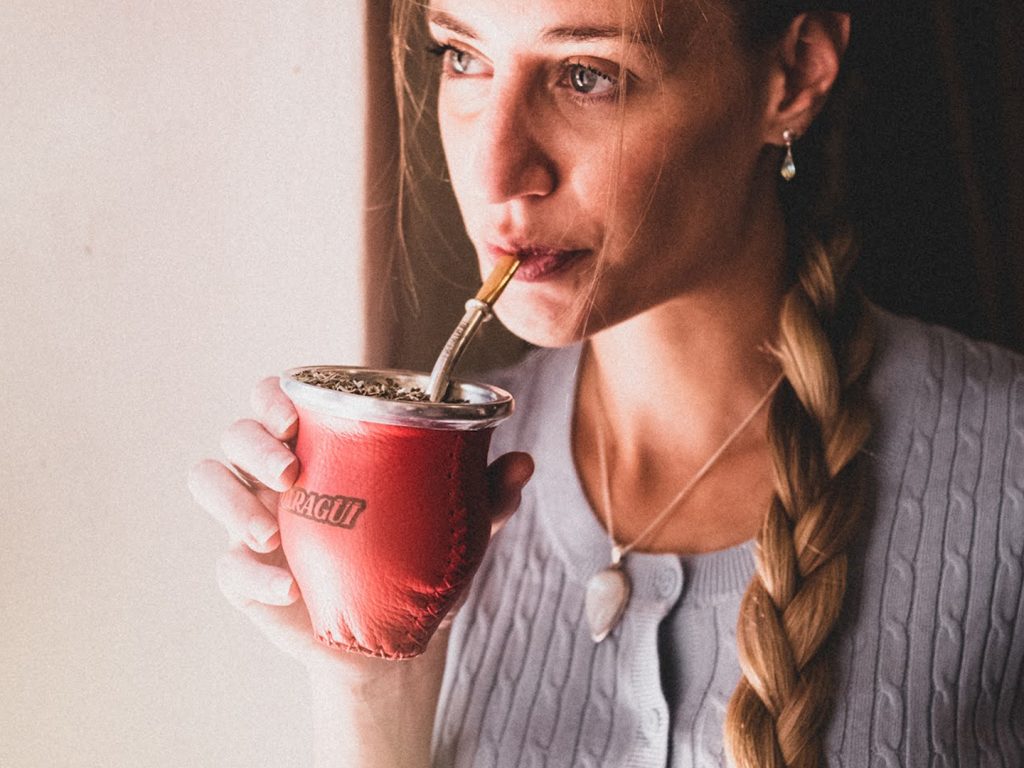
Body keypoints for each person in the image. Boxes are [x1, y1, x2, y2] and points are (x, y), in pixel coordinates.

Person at [189, 0, 1024, 765]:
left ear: (793, 75)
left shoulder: (1006, 467)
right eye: (462, 56)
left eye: (587, 76)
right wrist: (367, 678)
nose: (494, 173)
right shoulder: (441, 497)